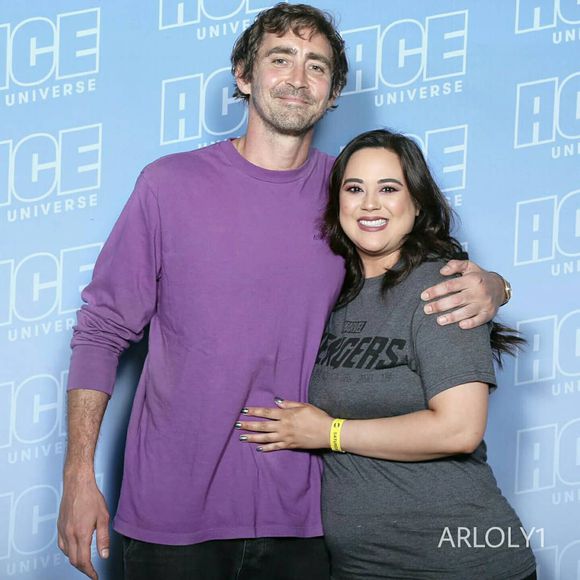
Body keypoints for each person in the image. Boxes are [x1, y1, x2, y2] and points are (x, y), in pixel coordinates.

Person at [57, 5, 511, 580]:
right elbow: (101, 331)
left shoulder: (350, 196)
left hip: (305, 519)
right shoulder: (168, 185)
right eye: (280, 59)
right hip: (172, 512)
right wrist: (78, 475)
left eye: (316, 66)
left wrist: (496, 285)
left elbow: (415, 268)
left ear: (334, 91)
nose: (298, 78)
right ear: (244, 76)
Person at [239, 129, 536, 579]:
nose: (370, 204)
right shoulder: (331, 293)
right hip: (360, 567)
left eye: (389, 189)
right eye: (355, 189)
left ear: (417, 204)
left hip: (462, 563)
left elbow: (459, 429)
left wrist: (330, 433)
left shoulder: (443, 289)